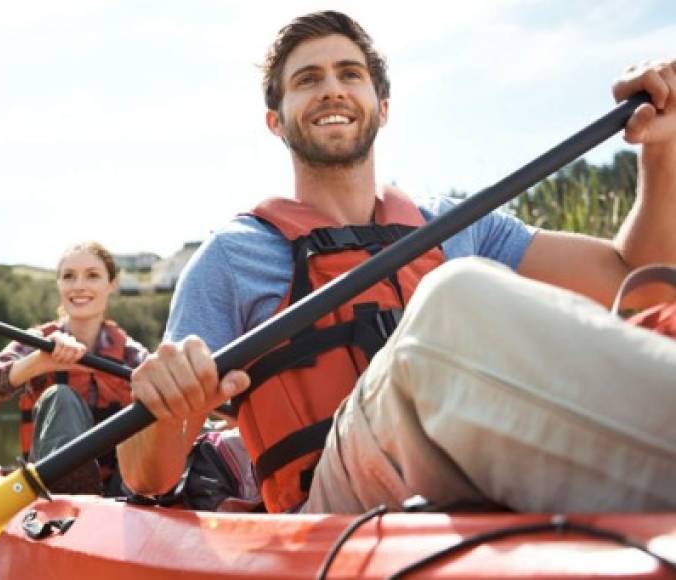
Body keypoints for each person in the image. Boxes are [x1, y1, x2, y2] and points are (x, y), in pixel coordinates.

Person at [118, 10, 676, 514]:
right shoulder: (231, 259)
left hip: (480, 457)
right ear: (276, 120)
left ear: (381, 108)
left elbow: (640, 281)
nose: (331, 90)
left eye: (349, 74)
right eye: (307, 80)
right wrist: (167, 403)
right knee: (456, 294)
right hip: (334, 506)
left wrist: (662, 145)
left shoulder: (460, 223)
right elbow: (147, 477)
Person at [0, 241, 148, 495]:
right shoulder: (36, 342)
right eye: (69, 277)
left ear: (112, 284)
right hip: (52, 484)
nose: (79, 286)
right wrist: (37, 363)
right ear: (59, 284)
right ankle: (70, 484)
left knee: (149, 412)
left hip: (123, 488)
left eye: (92, 276)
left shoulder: (131, 353)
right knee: (61, 396)